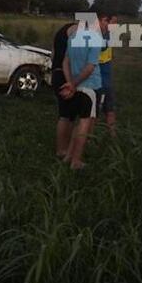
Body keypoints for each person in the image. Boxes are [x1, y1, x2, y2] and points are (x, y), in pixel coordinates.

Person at [60, 20, 105, 170]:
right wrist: (73, 84)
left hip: (76, 86)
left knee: (78, 123)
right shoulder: (96, 38)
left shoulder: (73, 37)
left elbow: (65, 61)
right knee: (85, 124)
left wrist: (70, 82)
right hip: (90, 86)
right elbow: (90, 67)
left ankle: (69, 156)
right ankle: (76, 161)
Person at [51, 20, 77, 159]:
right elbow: (74, 57)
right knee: (66, 115)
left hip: (57, 73)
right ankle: (61, 150)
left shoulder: (62, 30)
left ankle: (65, 148)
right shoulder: (76, 31)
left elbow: (53, 53)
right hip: (65, 75)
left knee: (68, 114)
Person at [98, 13, 117, 137]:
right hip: (96, 81)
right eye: (108, 21)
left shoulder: (109, 35)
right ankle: (87, 137)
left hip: (107, 80)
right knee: (93, 113)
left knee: (110, 110)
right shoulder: (96, 37)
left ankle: (112, 135)